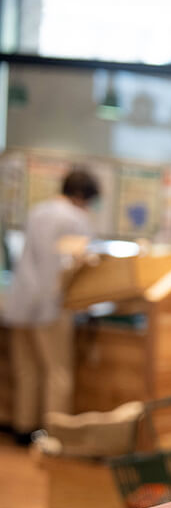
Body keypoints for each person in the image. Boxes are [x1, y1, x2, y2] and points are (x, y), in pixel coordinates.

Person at [5, 169, 99, 445]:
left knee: (26, 369)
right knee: (57, 373)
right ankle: (54, 434)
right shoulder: (77, 218)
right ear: (82, 196)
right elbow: (75, 263)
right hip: (53, 304)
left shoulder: (37, 211)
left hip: (21, 301)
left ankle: (24, 428)